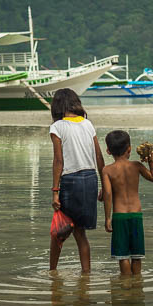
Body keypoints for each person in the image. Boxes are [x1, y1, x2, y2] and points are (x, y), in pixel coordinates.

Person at [50, 88, 105, 273]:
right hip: (90, 179)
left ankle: (52, 274)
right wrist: (104, 185)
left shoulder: (57, 127)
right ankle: (86, 276)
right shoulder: (88, 124)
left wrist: (55, 192)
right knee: (80, 234)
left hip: (70, 181)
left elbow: (58, 161)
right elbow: (98, 156)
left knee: (58, 232)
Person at [102, 130, 153, 275]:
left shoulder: (107, 170)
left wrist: (107, 218)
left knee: (123, 257)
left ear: (108, 150)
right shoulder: (136, 166)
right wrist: (150, 159)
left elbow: (107, 194)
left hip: (120, 216)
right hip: (136, 216)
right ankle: (136, 286)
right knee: (137, 256)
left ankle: (125, 287)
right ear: (129, 149)